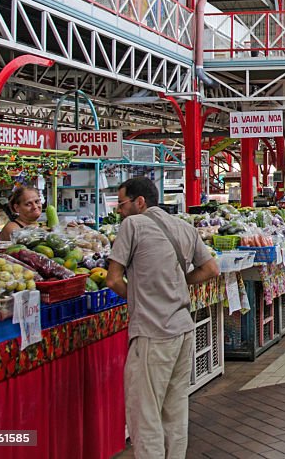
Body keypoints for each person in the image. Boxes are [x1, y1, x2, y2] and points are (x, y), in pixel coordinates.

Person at [106, 177, 220, 459]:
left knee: (145, 415)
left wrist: (138, 296)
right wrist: (178, 283)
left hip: (153, 332)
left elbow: (111, 280)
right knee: (175, 408)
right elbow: (211, 269)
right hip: (183, 330)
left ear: (139, 202)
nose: (120, 211)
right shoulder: (183, 226)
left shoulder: (132, 225)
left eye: (122, 204)